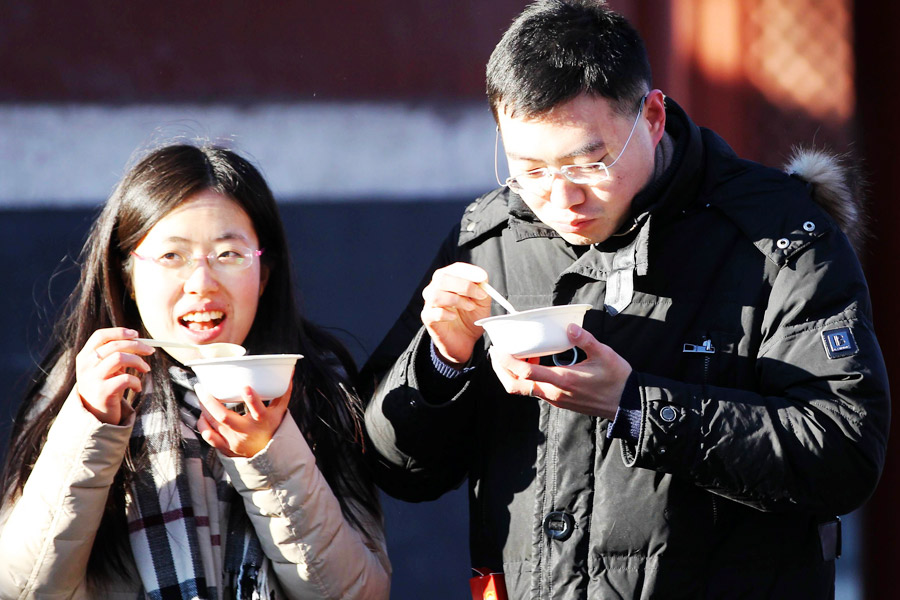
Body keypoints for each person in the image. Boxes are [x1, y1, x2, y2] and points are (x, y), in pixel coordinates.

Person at [361, 1, 890, 598]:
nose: (561, 197)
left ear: (654, 117)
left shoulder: (775, 235)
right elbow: (393, 468)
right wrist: (441, 361)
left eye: (590, 162)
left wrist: (638, 406)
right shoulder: (493, 235)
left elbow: (844, 451)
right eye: (528, 168)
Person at [0, 144, 391, 599]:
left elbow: (360, 593)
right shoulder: (81, 388)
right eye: (172, 256)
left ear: (264, 274)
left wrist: (270, 455)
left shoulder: (314, 391)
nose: (202, 283)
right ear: (127, 273)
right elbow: (23, 588)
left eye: (228, 255)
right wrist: (93, 424)